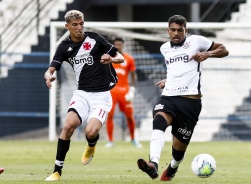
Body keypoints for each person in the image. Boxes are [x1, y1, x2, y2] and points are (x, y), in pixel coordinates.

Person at [137, 15, 229, 181]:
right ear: (168, 31)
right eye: (173, 30)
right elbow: (176, 69)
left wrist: (208, 53)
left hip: (190, 102)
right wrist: (168, 81)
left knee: (178, 152)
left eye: (180, 30)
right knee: (158, 121)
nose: (176, 33)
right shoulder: (164, 48)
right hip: (169, 97)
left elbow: (224, 49)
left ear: (185, 30)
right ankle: (153, 164)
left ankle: (173, 168)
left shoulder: (196, 41)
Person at [44, 10, 124, 181]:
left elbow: (121, 58)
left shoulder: (95, 38)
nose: (79, 27)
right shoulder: (64, 47)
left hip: (101, 96)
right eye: (75, 25)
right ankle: (57, 171)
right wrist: (49, 75)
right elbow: (51, 68)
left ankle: (91, 145)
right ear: (67, 26)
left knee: (91, 130)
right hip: (82, 94)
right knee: (68, 127)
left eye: (81, 24)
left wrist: (111, 59)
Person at [105, 37, 142, 148]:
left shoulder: (129, 59)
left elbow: (133, 75)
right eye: (115, 44)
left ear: (123, 45)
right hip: (111, 91)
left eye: (119, 44)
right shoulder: (108, 58)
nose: (117, 46)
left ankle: (133, 139)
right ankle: (110, 141)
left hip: (125, 92)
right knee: (110, 115)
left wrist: (132, 90)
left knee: (130, 116)